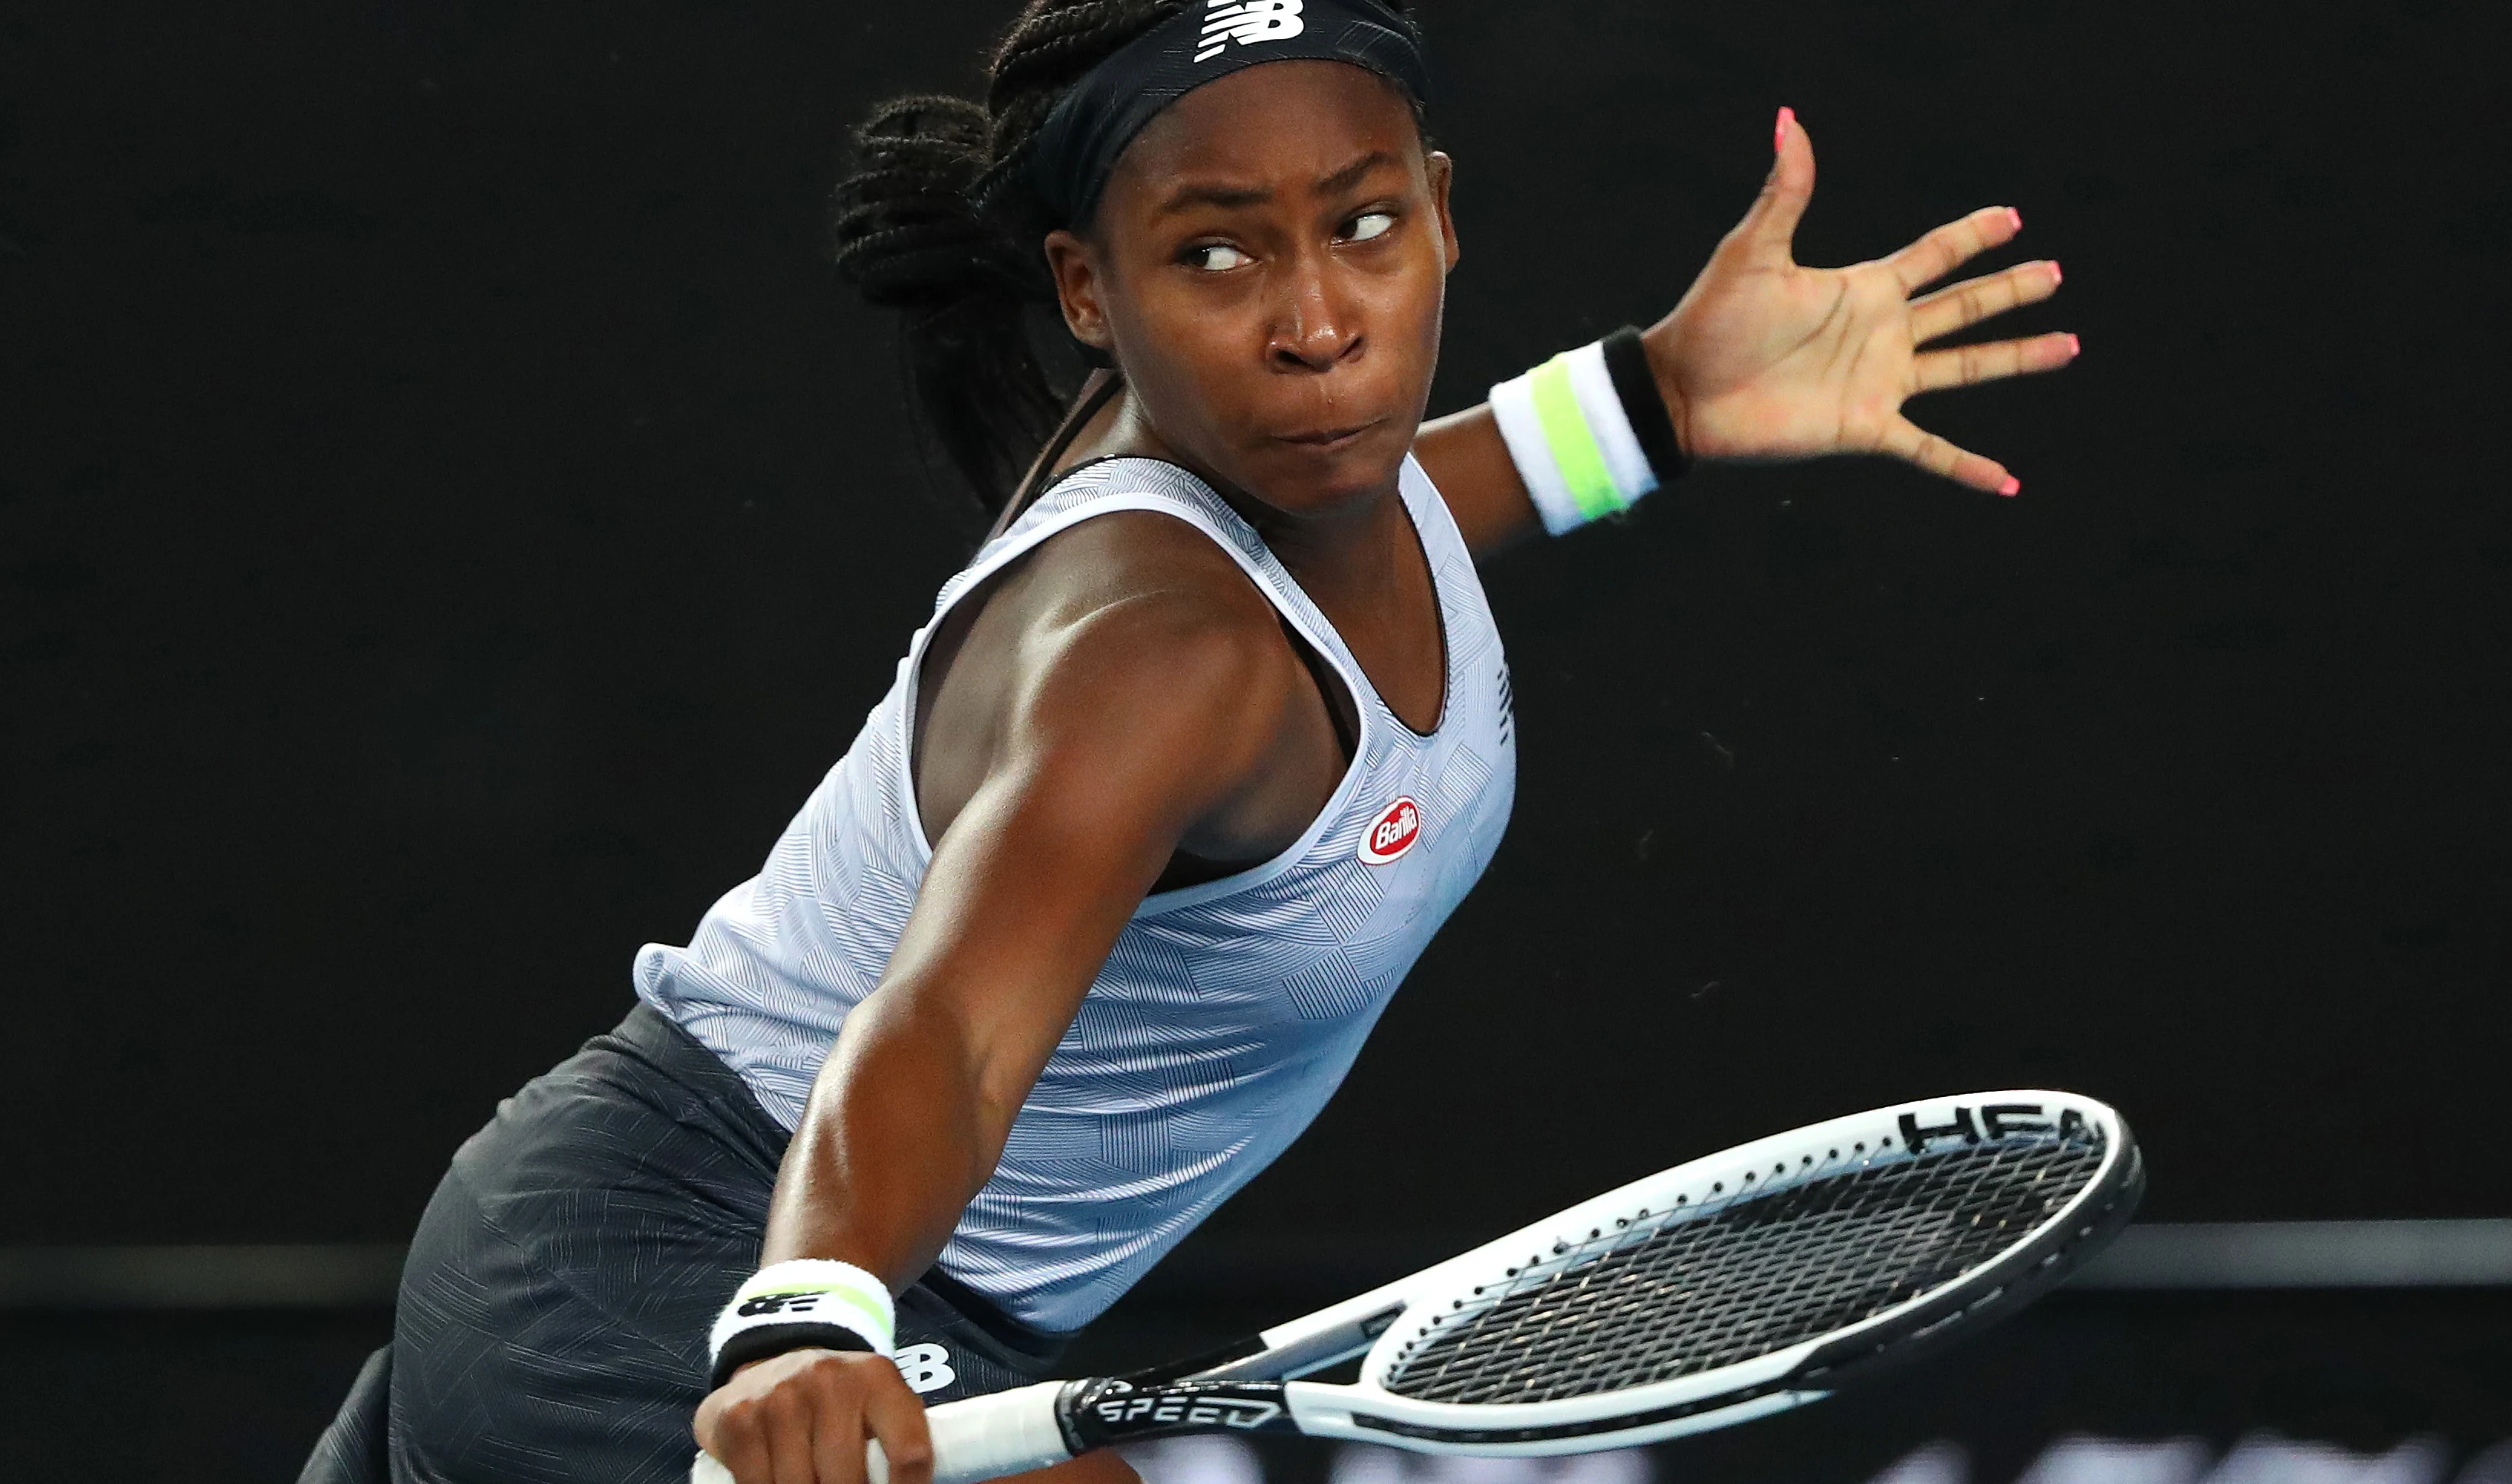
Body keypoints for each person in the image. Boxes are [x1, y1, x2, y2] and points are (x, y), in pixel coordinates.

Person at [300, 2, 2076, 1482]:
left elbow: (1446, 500)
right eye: (1217, 252)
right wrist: (812, 1310)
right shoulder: (1153, 652)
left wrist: (1665, 398)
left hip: (804, 1273)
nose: (1318, 322)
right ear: (1089, 289)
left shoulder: (1331, 488)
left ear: (1442, 212)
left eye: (1364, 224)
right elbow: (949, 1033)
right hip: (674, 1261)